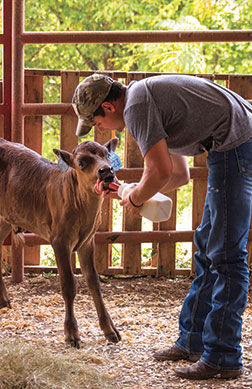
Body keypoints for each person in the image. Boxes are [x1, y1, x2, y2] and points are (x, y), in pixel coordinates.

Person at [72, 73, 252, 380]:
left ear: (108, 107)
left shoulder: (136, 108)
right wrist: (128, 191)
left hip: (237, 145)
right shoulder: (144, 99)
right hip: (231, 144)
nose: (99, 129)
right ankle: (194, 339)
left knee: (226, 256)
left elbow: (158, 172)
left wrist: (137, 198)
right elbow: (177, 174)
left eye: (96, 121)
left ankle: (222, 356)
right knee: (208, 247)